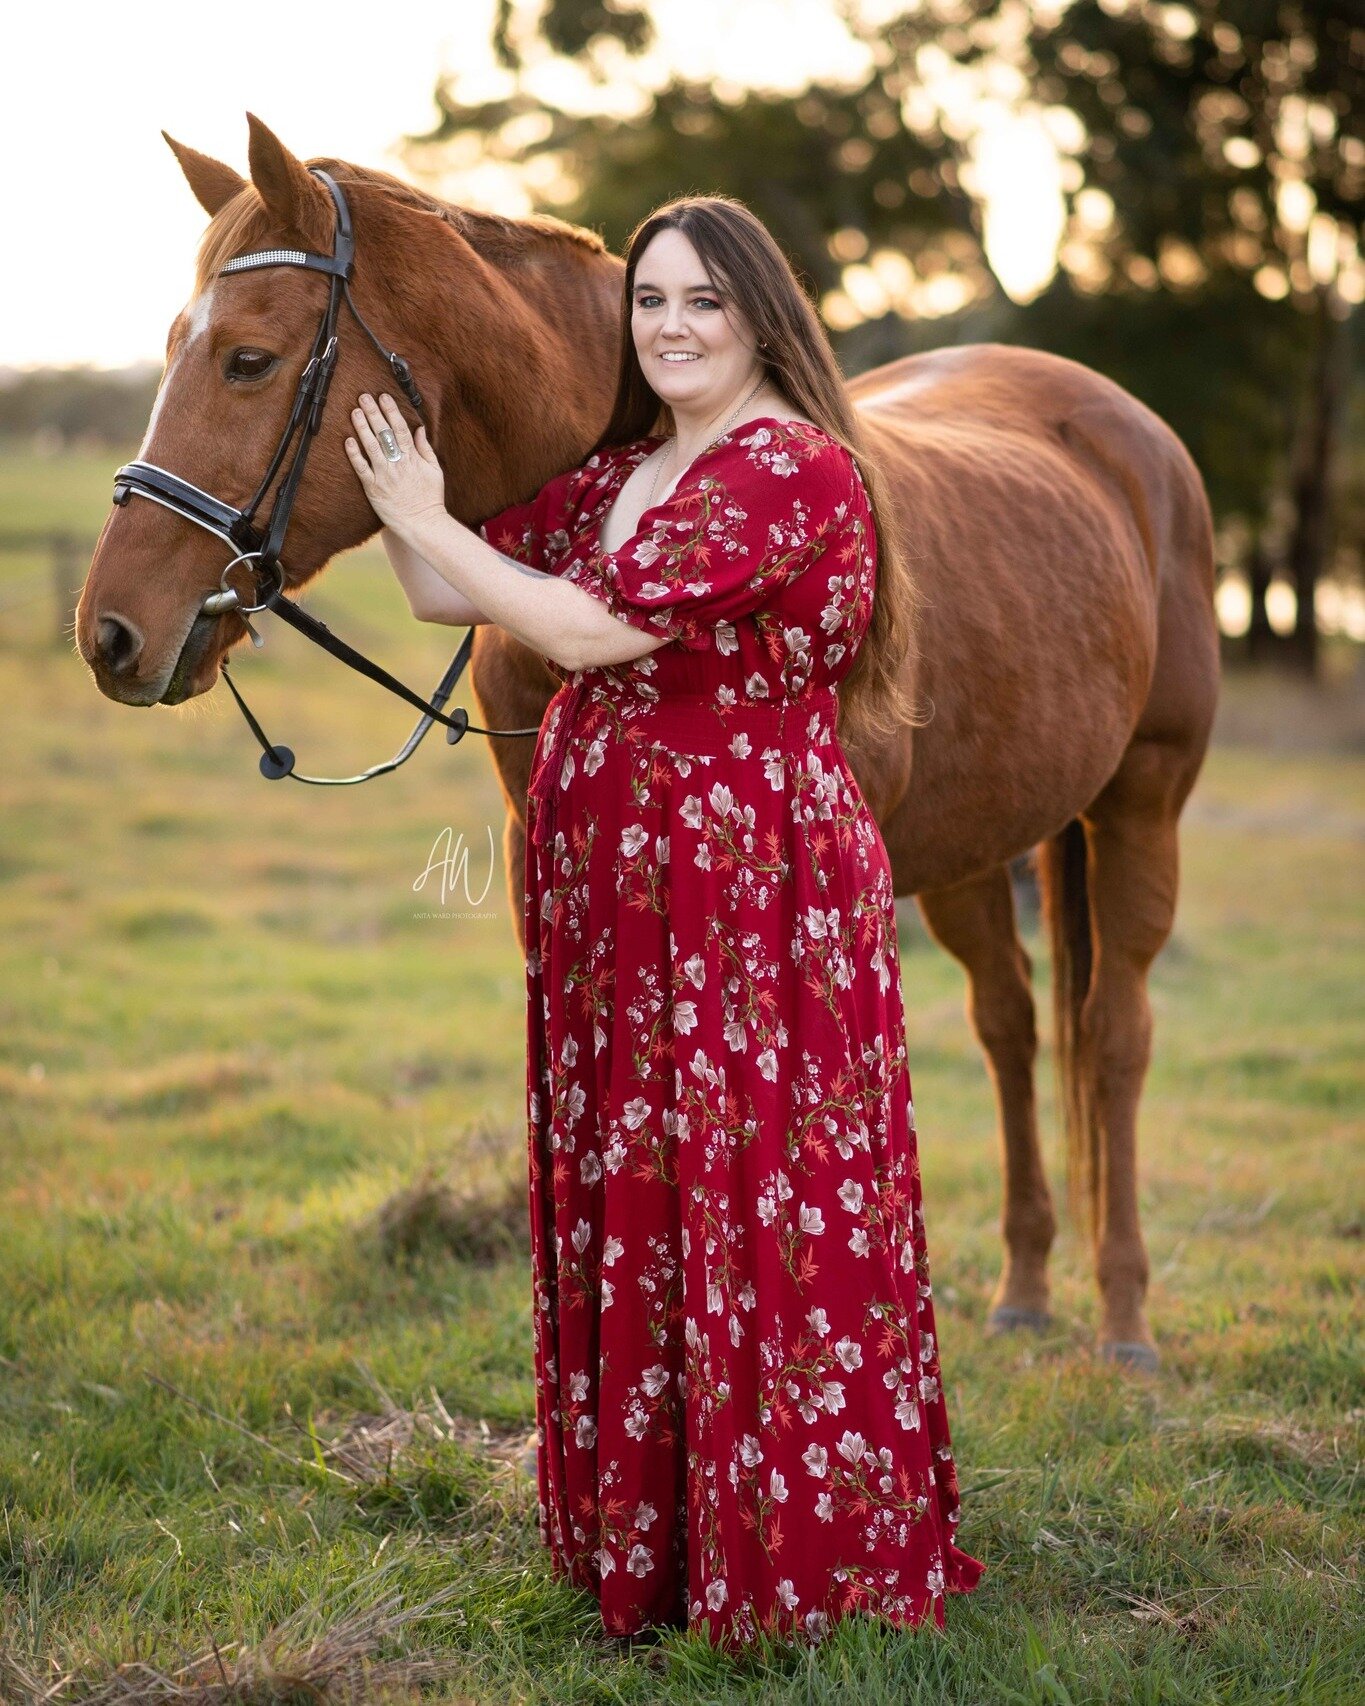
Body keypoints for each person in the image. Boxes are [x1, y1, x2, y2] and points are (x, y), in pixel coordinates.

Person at [344, 194, 985, 1649]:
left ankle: (796, 1560)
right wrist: (401, 489)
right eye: (649, 303)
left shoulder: (788, 470)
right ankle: (660, 1537)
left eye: (701, 300)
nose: (671, 326)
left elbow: (577, 633)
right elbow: (454, 584)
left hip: (744, 877)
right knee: (644, 1184)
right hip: (618, 895)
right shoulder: (630, 469)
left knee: (758, 1186)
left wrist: (421, 508)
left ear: (760, 313)